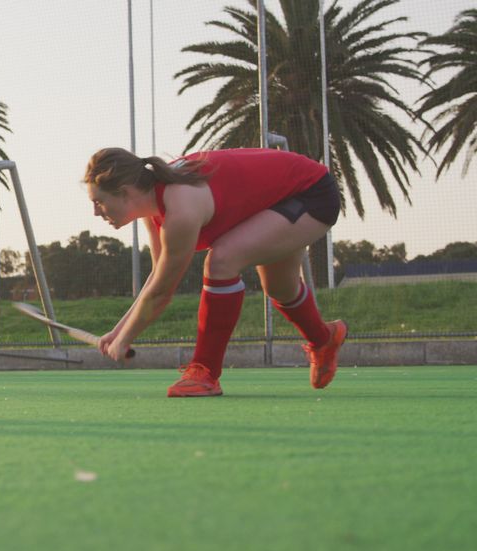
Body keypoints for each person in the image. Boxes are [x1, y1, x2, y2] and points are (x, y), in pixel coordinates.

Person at [84, 147, 347, 397]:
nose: (96, 212)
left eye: (99, 202)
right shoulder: (152, 207)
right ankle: (325, 339)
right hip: (281, 196)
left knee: (222, 260)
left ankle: (205, 372)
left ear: (125, 192)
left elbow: (163, 291)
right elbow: (157, 276)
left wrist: (126, 339)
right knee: (280, 288)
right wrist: (118, 333)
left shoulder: (181, 209)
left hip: (310, 193)